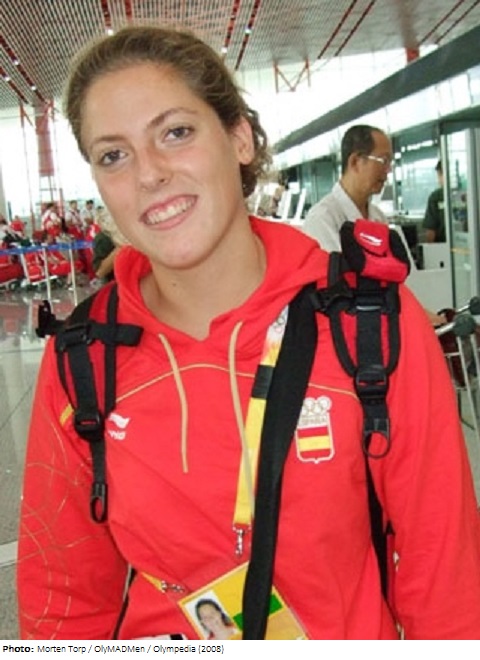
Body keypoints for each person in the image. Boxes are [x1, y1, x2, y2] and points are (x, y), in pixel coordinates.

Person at [17, 25, 480, 641]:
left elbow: (445, 580)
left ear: (239, 137)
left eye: (175, 133)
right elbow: (63, 604)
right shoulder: (85, 357)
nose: (149, 174)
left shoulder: (367, 324)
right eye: (113, 155)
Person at [303, 124, 392, 252]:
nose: (388, 169)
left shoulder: (379, 217)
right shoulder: (322, 219)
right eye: (384, 160)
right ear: (355, 161)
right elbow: (333, 265)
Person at [423, 160, 445, 243]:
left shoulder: (436, 197)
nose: (439, 180)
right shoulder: (436, 197)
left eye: (440, 175)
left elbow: (430, 231)